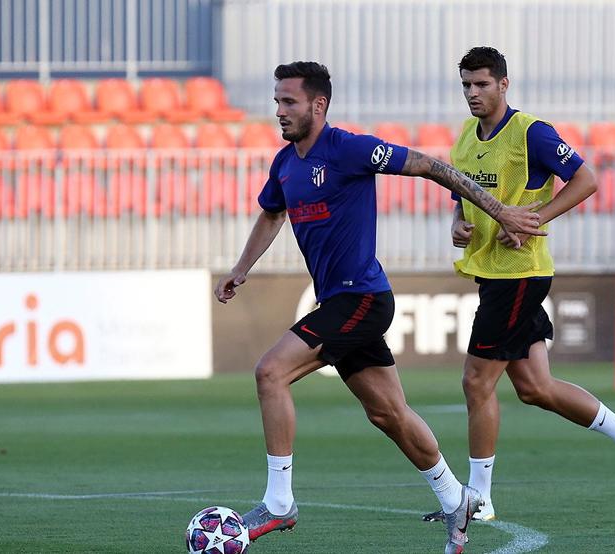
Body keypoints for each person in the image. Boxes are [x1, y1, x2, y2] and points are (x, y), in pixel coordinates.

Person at [213, 61, 546, 554]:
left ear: (318, 105)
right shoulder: (285, 164)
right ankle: (456, 497)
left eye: (290, 102)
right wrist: (242, 267)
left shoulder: (349, 149)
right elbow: (271, 212)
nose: (279, 111)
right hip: (340, 300)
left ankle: (279, 502)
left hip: (362, 298)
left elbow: (432, 166)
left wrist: (499, 211)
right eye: (276, 101)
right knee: (389, 412)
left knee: (270, 373)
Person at [422, 47, 615, 524]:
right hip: (493, 273)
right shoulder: (464, 139)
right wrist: (458, 223)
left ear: (503, 84)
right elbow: (461, 198)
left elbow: (586, 178)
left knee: (476, 382)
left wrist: (535, 218)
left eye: (482, 84)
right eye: (466, 86)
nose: (473, 93)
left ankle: (478, 499)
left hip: (519, 276)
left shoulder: (530, 132)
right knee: (536, 387)